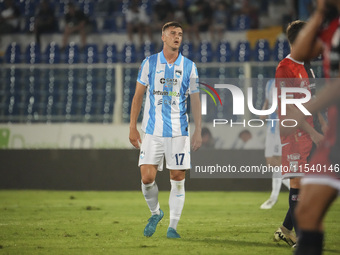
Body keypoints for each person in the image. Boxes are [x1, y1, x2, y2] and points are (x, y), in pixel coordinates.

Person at [129, 21, 202, 239]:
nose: (177, 37)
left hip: (179, 131)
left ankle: (173, 227)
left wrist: (198, 129)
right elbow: (138, 96)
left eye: (180, 34)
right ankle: (156, 212)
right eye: (172, 33)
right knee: (147, 177)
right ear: (163, 37)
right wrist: (132, 127)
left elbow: (196, 100)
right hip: (152, 131)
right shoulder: (149, 63)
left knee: (178, 176)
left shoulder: (189, 66)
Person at [282, 0, 340, 254]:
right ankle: (288, 231)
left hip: (313, 131)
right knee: (306, 210)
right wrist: (320, 13)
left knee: (304, 203)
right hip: (325, 135)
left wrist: (307, 116)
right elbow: (302, 50)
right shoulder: (332, 30)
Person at [273, 20, 323, 247]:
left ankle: (285, 229)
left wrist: (322, 123)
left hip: (310, 130)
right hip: (294, 133)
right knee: (298, 183)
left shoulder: (306, 66)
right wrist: (313, 132)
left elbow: (310, 99)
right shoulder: (284, 68)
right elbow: (291, 108)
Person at [259, 79, 290, 210]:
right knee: (271, 162)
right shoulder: (270, 83)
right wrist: (263, 111)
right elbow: (268, 100)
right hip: (270, 126)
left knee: (278, 162)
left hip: (280, 127)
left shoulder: (288, 84)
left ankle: (274, 197)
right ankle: (297, 191)